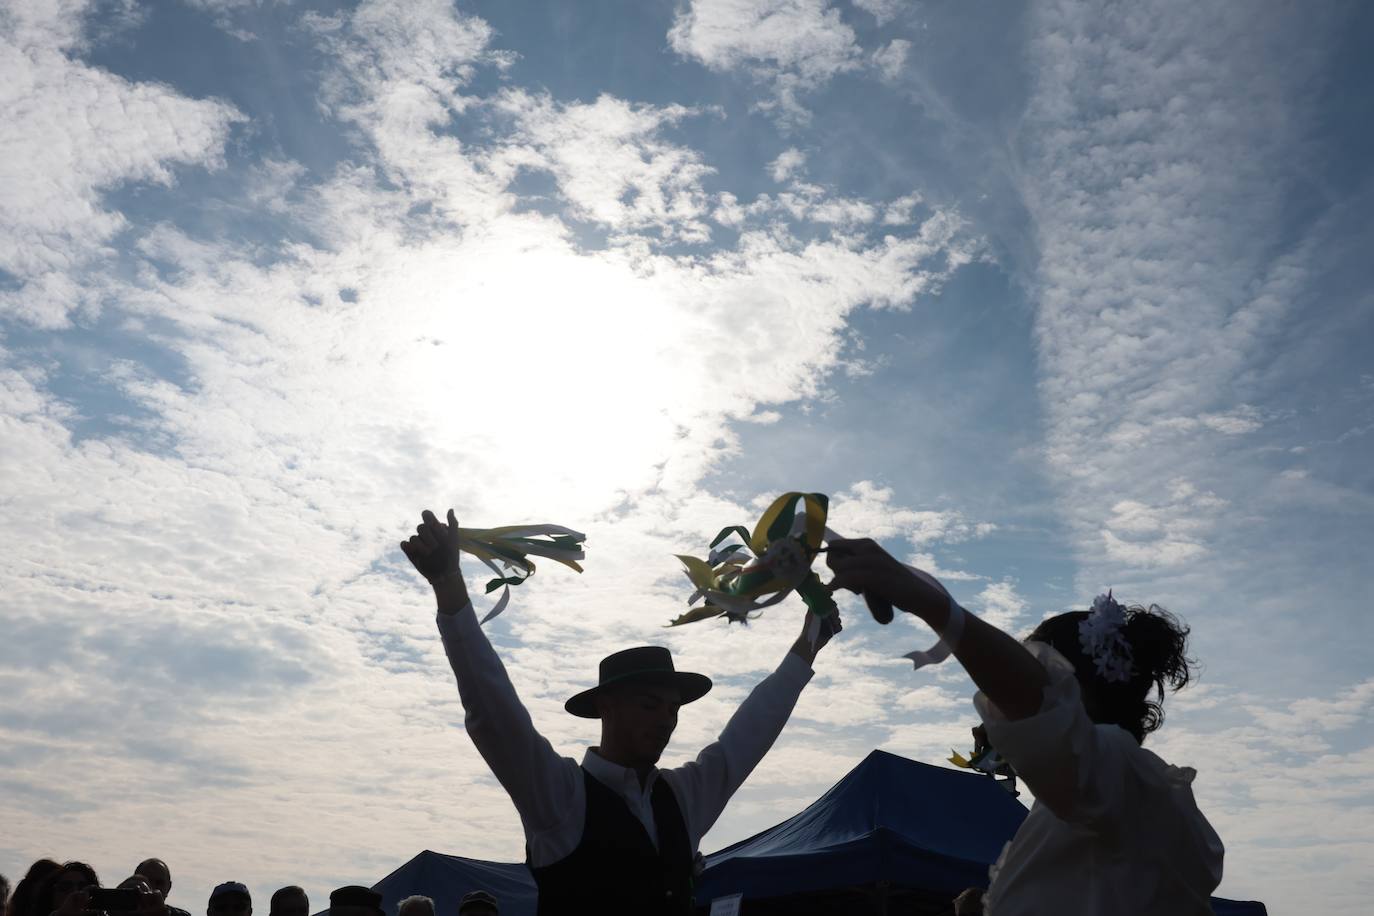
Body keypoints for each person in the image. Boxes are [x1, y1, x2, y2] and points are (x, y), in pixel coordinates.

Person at [400, 508, 837, 915]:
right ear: (606, 706)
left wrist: (808, 646)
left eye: (673, 709)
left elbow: (751, 729)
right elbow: (492, 708)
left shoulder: (684, 795)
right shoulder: (559, 794)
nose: (666, 719)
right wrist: (448, 585)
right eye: (650, 705)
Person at [825, 538, 1224, 916]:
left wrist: (926, 599)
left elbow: (1041, 711)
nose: (1002, 702)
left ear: (1077, 690)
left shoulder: (1130, 780)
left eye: (1036, 667)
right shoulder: (1085, 805)